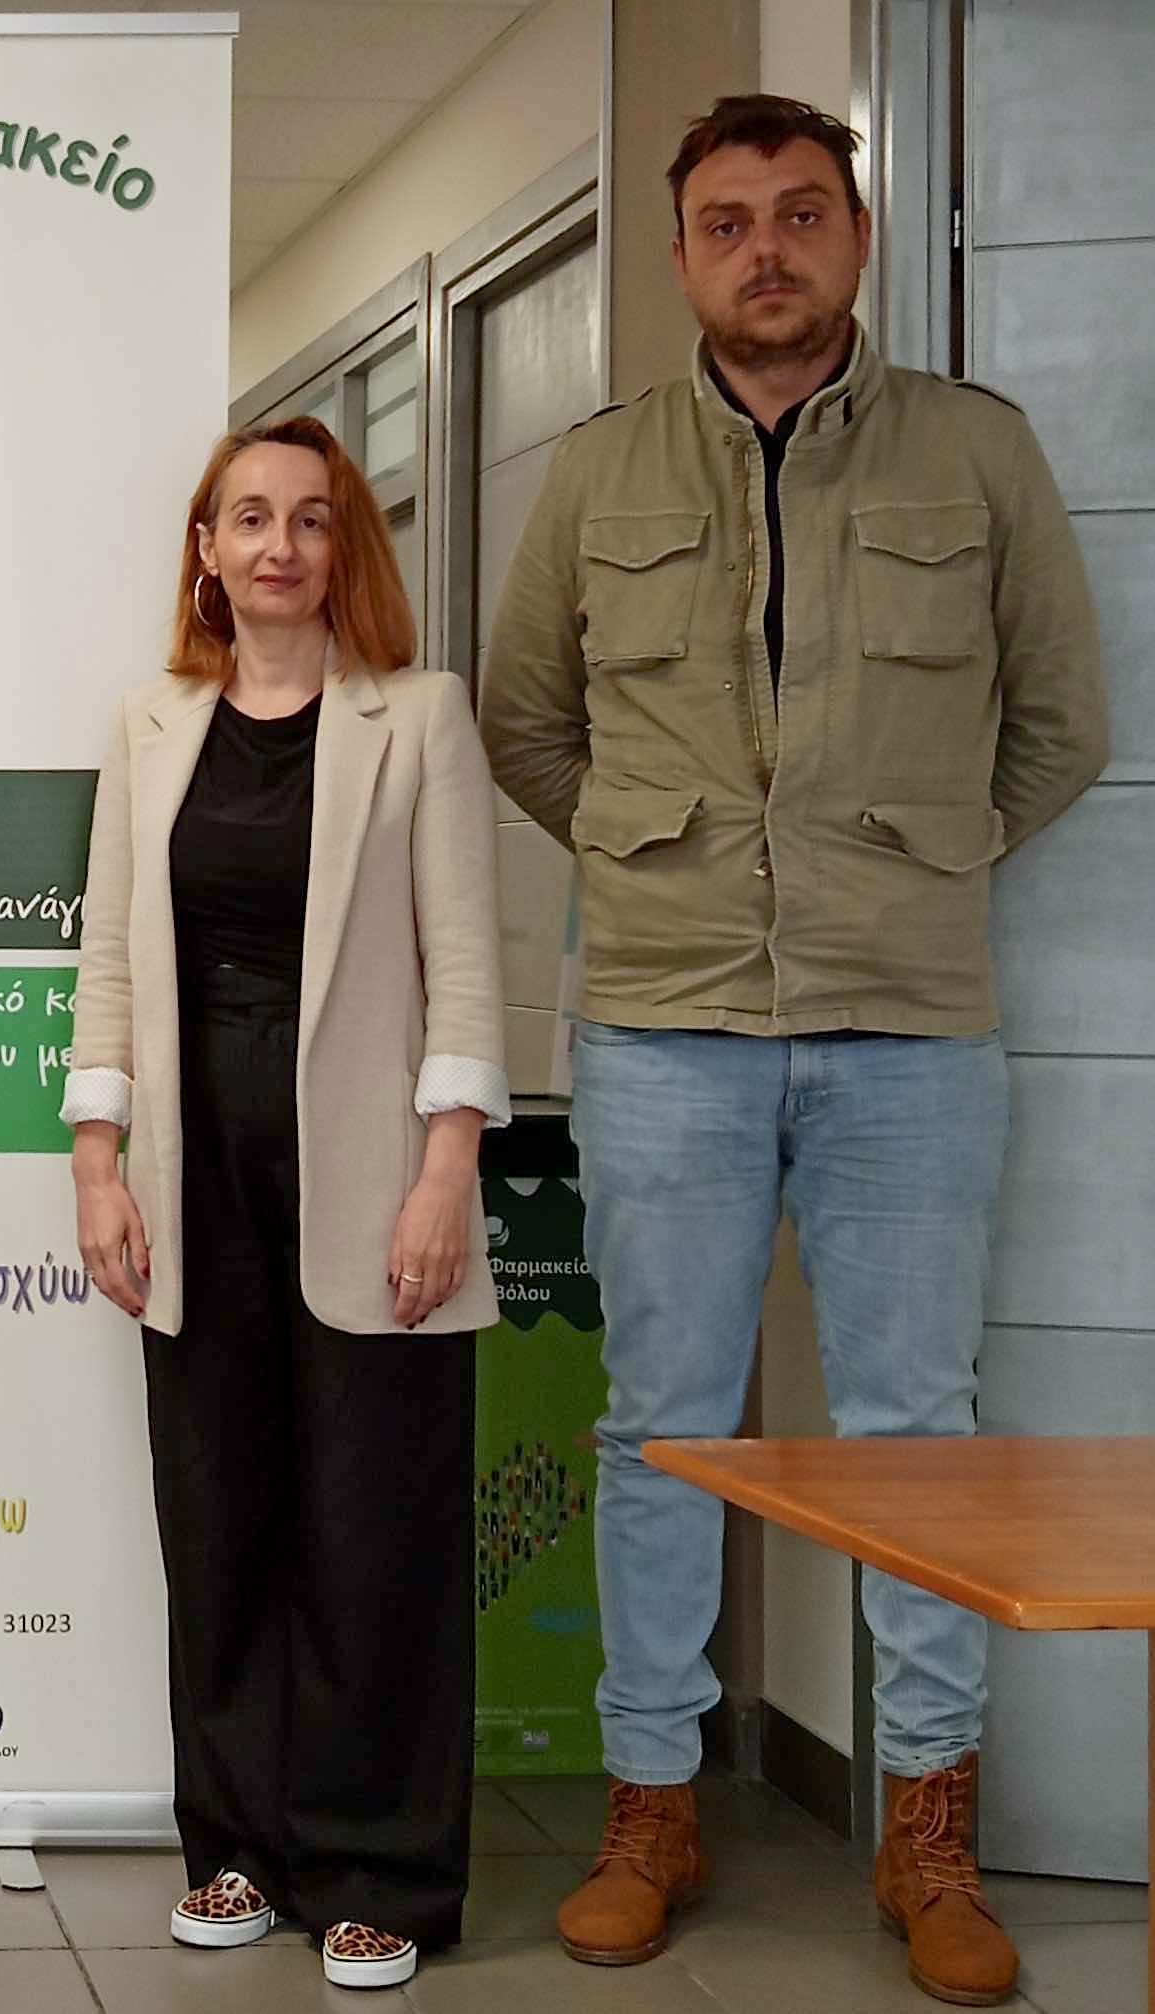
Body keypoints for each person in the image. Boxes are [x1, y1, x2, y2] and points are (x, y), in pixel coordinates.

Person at [480, 96, 1108, 2008]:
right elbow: (528, 722)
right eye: (730, 220)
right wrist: (653, 860)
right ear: (683, 255)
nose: (768, 247)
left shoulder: (977, 453)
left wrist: (912, 863)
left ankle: (929, 1828)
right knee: (662, 1424)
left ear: (858, 235)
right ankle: (650, 1808)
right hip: (663, 1024)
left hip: (907, 1025)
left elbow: (1060, 723)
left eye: (803, 213)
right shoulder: (599, 470)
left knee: (917, 1435)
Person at [64, 415, 506, 1992]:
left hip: (374, 1186)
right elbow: (111, 960)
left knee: (373, 1527)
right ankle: (240, 1849)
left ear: (344, 547)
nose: (278, 545)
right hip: (196, 1188)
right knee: (222, 1517)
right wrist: (98, 1161)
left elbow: (466, 962)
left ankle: (378, 1869)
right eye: (247, 517)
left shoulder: (419, 717)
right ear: (207, 548)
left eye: (310, 519)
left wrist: (446, 1173)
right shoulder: (153, 724)